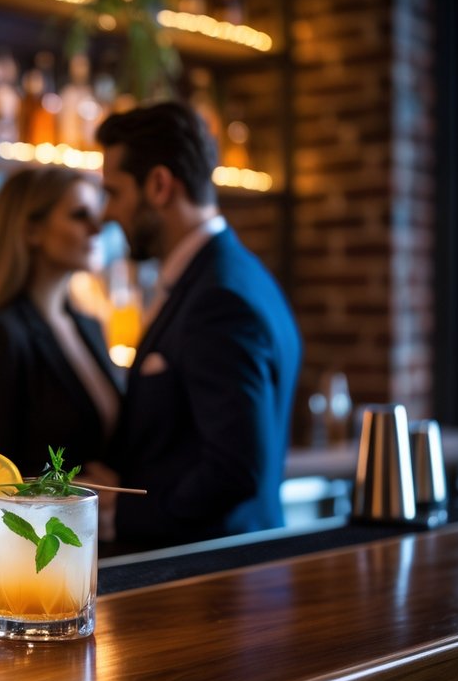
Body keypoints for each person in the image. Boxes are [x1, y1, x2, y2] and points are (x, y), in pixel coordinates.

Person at [90, 101, 301, 546]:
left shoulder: (218, 297)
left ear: (159, 185)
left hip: (215, 587)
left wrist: (122, 514)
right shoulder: (232, 274)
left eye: (114, 192)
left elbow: (236, 469)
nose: (107, 214)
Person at [0, 167, 121, 478]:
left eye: (96, 214)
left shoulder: (90, 325)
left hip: (108, 526)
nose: (97, 228)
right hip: (44, 526)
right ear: (32, 231)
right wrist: (76, 491)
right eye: (79, 215)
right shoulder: (0, 335)